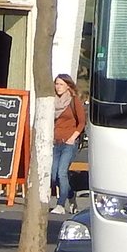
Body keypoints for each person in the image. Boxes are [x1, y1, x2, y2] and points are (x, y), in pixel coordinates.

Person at [51, 74, 86, 215]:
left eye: (60, 84)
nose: (58, 87)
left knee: (62, 173)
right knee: (54, 175)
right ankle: (71, 195)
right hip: (55, 142)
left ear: (68, 86)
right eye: (56, 84)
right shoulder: (52, 101)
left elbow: (82, 122)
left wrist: (73, 137)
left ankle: (60, 204)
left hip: (68, 143)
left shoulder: (73, 101)